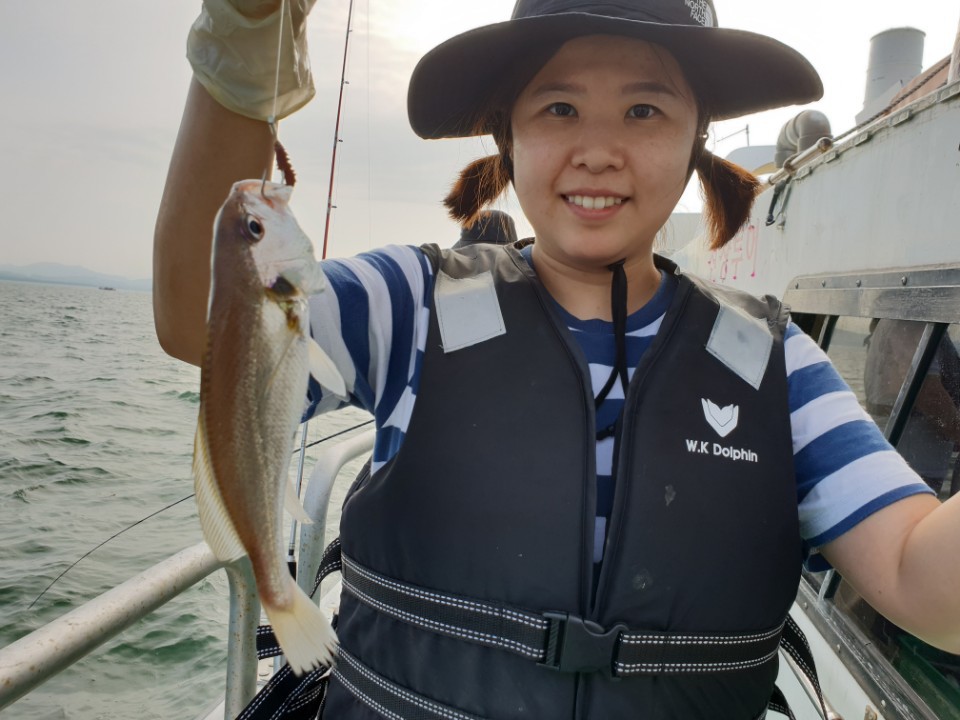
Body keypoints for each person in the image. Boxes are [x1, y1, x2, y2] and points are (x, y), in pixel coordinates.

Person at [154, 1, 960, 718]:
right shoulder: (410, 301)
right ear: (508, 137)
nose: (598, 151)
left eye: (644, 110)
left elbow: (919, 580)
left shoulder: (777, 364)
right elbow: (205, 322)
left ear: (695, 140)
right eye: (559, 108)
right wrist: (247, 32)